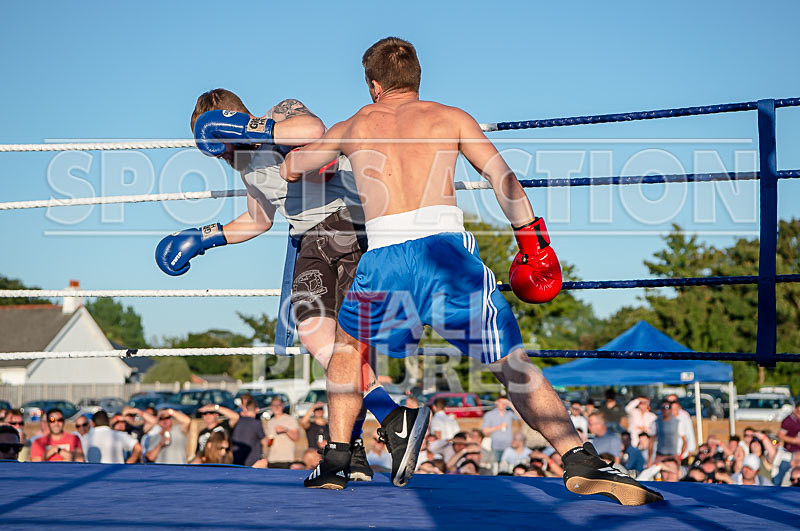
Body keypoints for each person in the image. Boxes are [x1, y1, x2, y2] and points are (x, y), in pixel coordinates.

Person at [282, 36, 662, 504]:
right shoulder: (451, 117)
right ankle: (578, 457)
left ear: (374, 86)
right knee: (510, 364)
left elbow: (293, 168)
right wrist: (532, 239)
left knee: (346, 350)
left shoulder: (356, 124)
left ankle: (337, 459)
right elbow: (502, 179)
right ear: (417, 79)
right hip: (447, 254)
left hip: (383, 257)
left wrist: (272, 133)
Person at [158, 88, 411, 481]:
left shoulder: (281, 114)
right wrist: (206, 236)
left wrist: (249, 128)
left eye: (220, 145)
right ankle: (383, 426)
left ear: (232, 124)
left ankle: (359, 442)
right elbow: (259, 219)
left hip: (351, 224)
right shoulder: (245, 166)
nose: (222, 156)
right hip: (311, 239)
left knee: (347, 345)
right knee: (319, 337)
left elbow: (315, 129)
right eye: (215, 151)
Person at [264, 396, 300, 468]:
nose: (276, 407)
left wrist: (286, 430)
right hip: (272, 459)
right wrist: (266, 441)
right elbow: (268, 443)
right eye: (274, 405)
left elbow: (296, 438)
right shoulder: (270, 422)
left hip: (286, 459)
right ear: (271, 407)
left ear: (282, 406)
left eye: (279, 405)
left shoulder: (290, 419)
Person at [482, 396, 519, 462]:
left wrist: (510, 404)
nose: (503, 404)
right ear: (496, 402)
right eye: (501, 402)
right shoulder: (489, 414)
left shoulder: (509, 414)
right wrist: (499, 427)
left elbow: (520, 417)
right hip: (495, 446)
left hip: (508, 446)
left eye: (505, 403)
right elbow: (484, 431)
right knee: (495, 467)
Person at [231, 399, 266, 467]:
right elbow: (264, 441)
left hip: (236, 460)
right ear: (257, 409)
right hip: (252, 461)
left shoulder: (238, 421)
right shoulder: (256, 423)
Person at [650, 400, 687, 465]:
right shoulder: (656, 422)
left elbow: (684, 441)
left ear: (671, 409)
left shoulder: (678, 423)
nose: (665, 410)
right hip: (660, 455)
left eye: (667, 407)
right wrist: (649, 459)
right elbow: (651, 441)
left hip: (673, 456)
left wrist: (680, 456)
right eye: (663, 408)